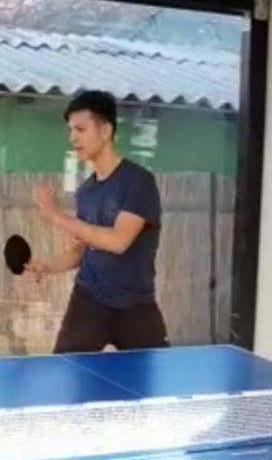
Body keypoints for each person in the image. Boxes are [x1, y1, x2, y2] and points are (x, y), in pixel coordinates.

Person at [27, 90, 168, 353]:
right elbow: (82, 249)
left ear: (105, 131)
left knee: (149, 379)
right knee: (68, 371)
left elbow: (118, 242)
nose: (73, 138)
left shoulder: (138, 182)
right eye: (70, 130)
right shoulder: (86, 192)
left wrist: (56, 216)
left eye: (81, 129)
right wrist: (47, 266)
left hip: (135, 304)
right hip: (88, 300)